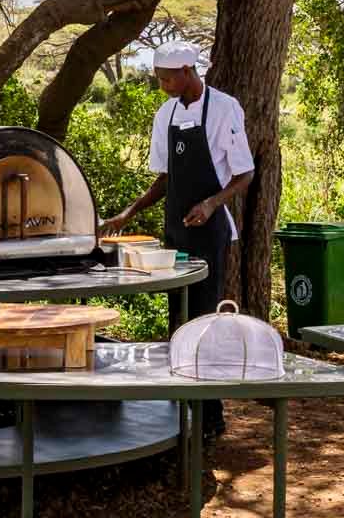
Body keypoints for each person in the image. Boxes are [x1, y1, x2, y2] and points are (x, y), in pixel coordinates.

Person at [101, 42, 255, 343]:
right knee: (178, 311)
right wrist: (126, 214)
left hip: (210, 231)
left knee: (205, 312)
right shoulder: (165, 114)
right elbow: (165, 179)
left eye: (167, 79)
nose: (162, 86)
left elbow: (245, 173)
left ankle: (207, 385)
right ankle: (178, 381)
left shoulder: (225, 108)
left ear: (187, 71)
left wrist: (211, 204)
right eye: (159, 78)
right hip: (177, 231)